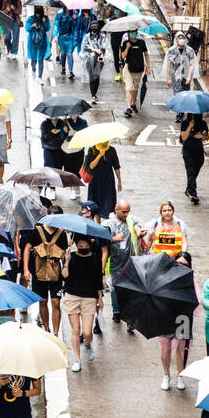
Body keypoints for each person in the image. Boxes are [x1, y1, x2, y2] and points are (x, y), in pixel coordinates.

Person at [63, 236, 105, 373]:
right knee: (75, 330)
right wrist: (66, 262)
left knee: (87, 332)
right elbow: (64, 275)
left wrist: (100, 298)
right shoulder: (71, 256)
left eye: (85, 246)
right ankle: (77, 359)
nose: (82, 249)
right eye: (80, 247)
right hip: (72, 296)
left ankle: (87, 344)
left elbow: (98, 280)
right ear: (76, 245)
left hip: (89, 297)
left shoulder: (95, 259)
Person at [104, 200, 143, 326]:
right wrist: (113, 239)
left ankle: (128, 314)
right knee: (115, 288)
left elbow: (137, 229)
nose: (126, 214)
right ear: (116, 210)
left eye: (128, 212)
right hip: (114, 261)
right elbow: (101, 242)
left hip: (130, 260)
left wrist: (140, 234)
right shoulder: (108, 224)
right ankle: (116, 311)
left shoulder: (131, 220)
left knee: (129, 288)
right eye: (124, 212)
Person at [81, 142, 121, 222]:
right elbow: (91, 166)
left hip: (108, 181)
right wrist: (99, 155)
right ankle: (97, 223)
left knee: (109, 203)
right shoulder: (92, 150)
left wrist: (119, 181)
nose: (106, 141)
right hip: (95, 181)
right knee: (95, 202)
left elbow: (116, 167)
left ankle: (109, 223)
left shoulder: (112, 150)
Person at [179, 112, 209, 204]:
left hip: (199, 150)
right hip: (188, 150)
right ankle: (193, 193)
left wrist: (202, 136)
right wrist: (190, 126)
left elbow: (207, 137)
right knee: (191, 170)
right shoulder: (185, 123)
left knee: (196, 169)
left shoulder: (203, 123)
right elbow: (183, 137)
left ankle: (189, 189)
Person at [121, 30, 150, 117]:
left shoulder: (141, 42)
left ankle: (133, 103)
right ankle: (129, 107)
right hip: (128, 67)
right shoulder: (126, 43)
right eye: (131, 32)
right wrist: (127, 47)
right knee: (129, 87)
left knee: (136, 87)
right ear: (128, 33)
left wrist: (148, 66)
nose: (132, 34)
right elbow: (123, 56)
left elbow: (146, 54)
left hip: (139, 67)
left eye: (134, 32)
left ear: (137, 32)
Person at [80, 20, 108, 103]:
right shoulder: (87, 37)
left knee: (97, 77)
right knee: (92, 76)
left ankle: (94, 93)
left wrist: (101, 54)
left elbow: (104, 47)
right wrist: (94, 50)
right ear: (90, 27)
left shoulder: (103, 36)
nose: (94, 28)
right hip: (89, 59)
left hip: (99, 58)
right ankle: (93, 95)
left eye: (96, 26)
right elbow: (84, 47)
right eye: (93, 26)